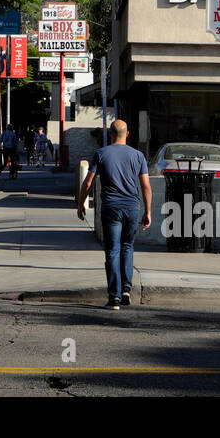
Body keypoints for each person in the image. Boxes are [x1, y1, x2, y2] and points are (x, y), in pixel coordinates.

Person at [76, 120, 152, 310]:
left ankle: (114, 297)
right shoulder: (138, 156)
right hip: (132, 208)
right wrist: (148, 211)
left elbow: (87, 183)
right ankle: (126, 289)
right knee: (127, 247)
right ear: (127, 134)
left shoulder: (101, 154)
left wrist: (80, 204)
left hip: (111, 208)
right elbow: (146, 187)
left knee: (112, 250)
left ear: (110, 134)